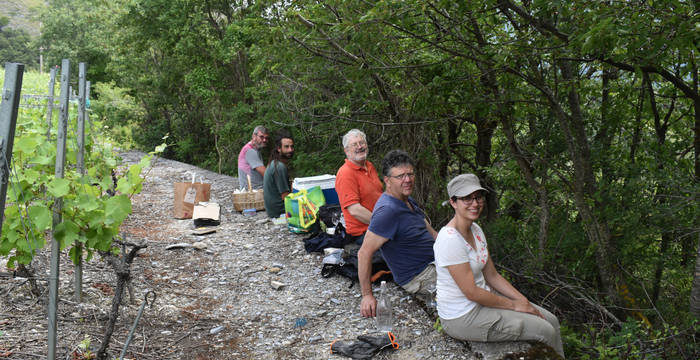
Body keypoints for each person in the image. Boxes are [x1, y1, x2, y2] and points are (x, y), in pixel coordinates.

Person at [434, 174, 565, 358]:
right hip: (462, 316)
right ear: (453, 202)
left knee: (552, 320)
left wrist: (523, 302)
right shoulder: (449, 239)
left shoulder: (476, 230)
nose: (475, 203)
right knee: (545, 330)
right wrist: (514, 306)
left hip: (483, 300)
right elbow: (471, 292)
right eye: (466, 198)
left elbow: (492, 276)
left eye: (478, 197)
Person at [358, 150, 438, 319]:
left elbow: (431, 232)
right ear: (387, 181)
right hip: (419, 276)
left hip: (434, 262)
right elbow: (364, 252)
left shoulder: (407, 200)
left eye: (410, 174)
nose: (407, 180)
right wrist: (367, 295)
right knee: (470, 285)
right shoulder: (387, 211)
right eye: (400, 176)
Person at [335, 129, 383, 244]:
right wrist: (383, 224)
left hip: (378, 225)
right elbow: (355, 210)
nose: (360, 147)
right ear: (346, 151)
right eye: (354, 144)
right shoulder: (345, 173)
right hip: (363, 233)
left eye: (362, 143)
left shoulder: (369, 166)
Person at [263, 132, 294, 218]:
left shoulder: (274, 163)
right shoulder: (279, 167)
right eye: (286, 147)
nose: (290, 150)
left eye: (291, 146)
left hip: (273, 211)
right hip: (279, 212)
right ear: (279, 148)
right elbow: (286, 197)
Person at [238, 125, 269, 190]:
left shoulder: (255, 149)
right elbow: (265, 174)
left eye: (266, 138)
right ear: (254, 136)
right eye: (261, 137)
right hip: (252, 192)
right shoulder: (250, 151)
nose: (264, 140)